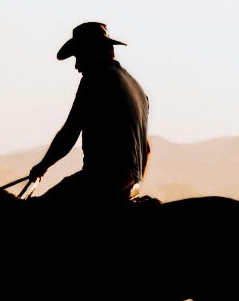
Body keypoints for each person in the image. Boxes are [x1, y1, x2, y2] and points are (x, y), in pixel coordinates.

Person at [29, 22, 150, 210]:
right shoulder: (138, 90)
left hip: (100, 181)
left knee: (35, 214)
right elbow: (146, 148)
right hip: (129, 184)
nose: (77, 66)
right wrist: (136, 182)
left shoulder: (96, 79)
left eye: (79, 56)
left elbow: (69, 133)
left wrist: (42, 166)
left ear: (93, 51)